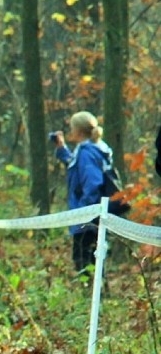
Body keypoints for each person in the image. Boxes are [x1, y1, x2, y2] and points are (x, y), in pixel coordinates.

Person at [52, 111, 117, 272]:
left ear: (79, 131)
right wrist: (62, 149)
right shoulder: (92, 149)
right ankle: (97, 292)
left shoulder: (86, 153)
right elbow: (75, 167)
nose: (70, 131)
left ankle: (90, 293)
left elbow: (93, 184)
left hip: (88, 220)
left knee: (84, 260)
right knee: (93, 259)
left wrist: (83, 212)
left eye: (72, 128)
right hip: (92, 217)